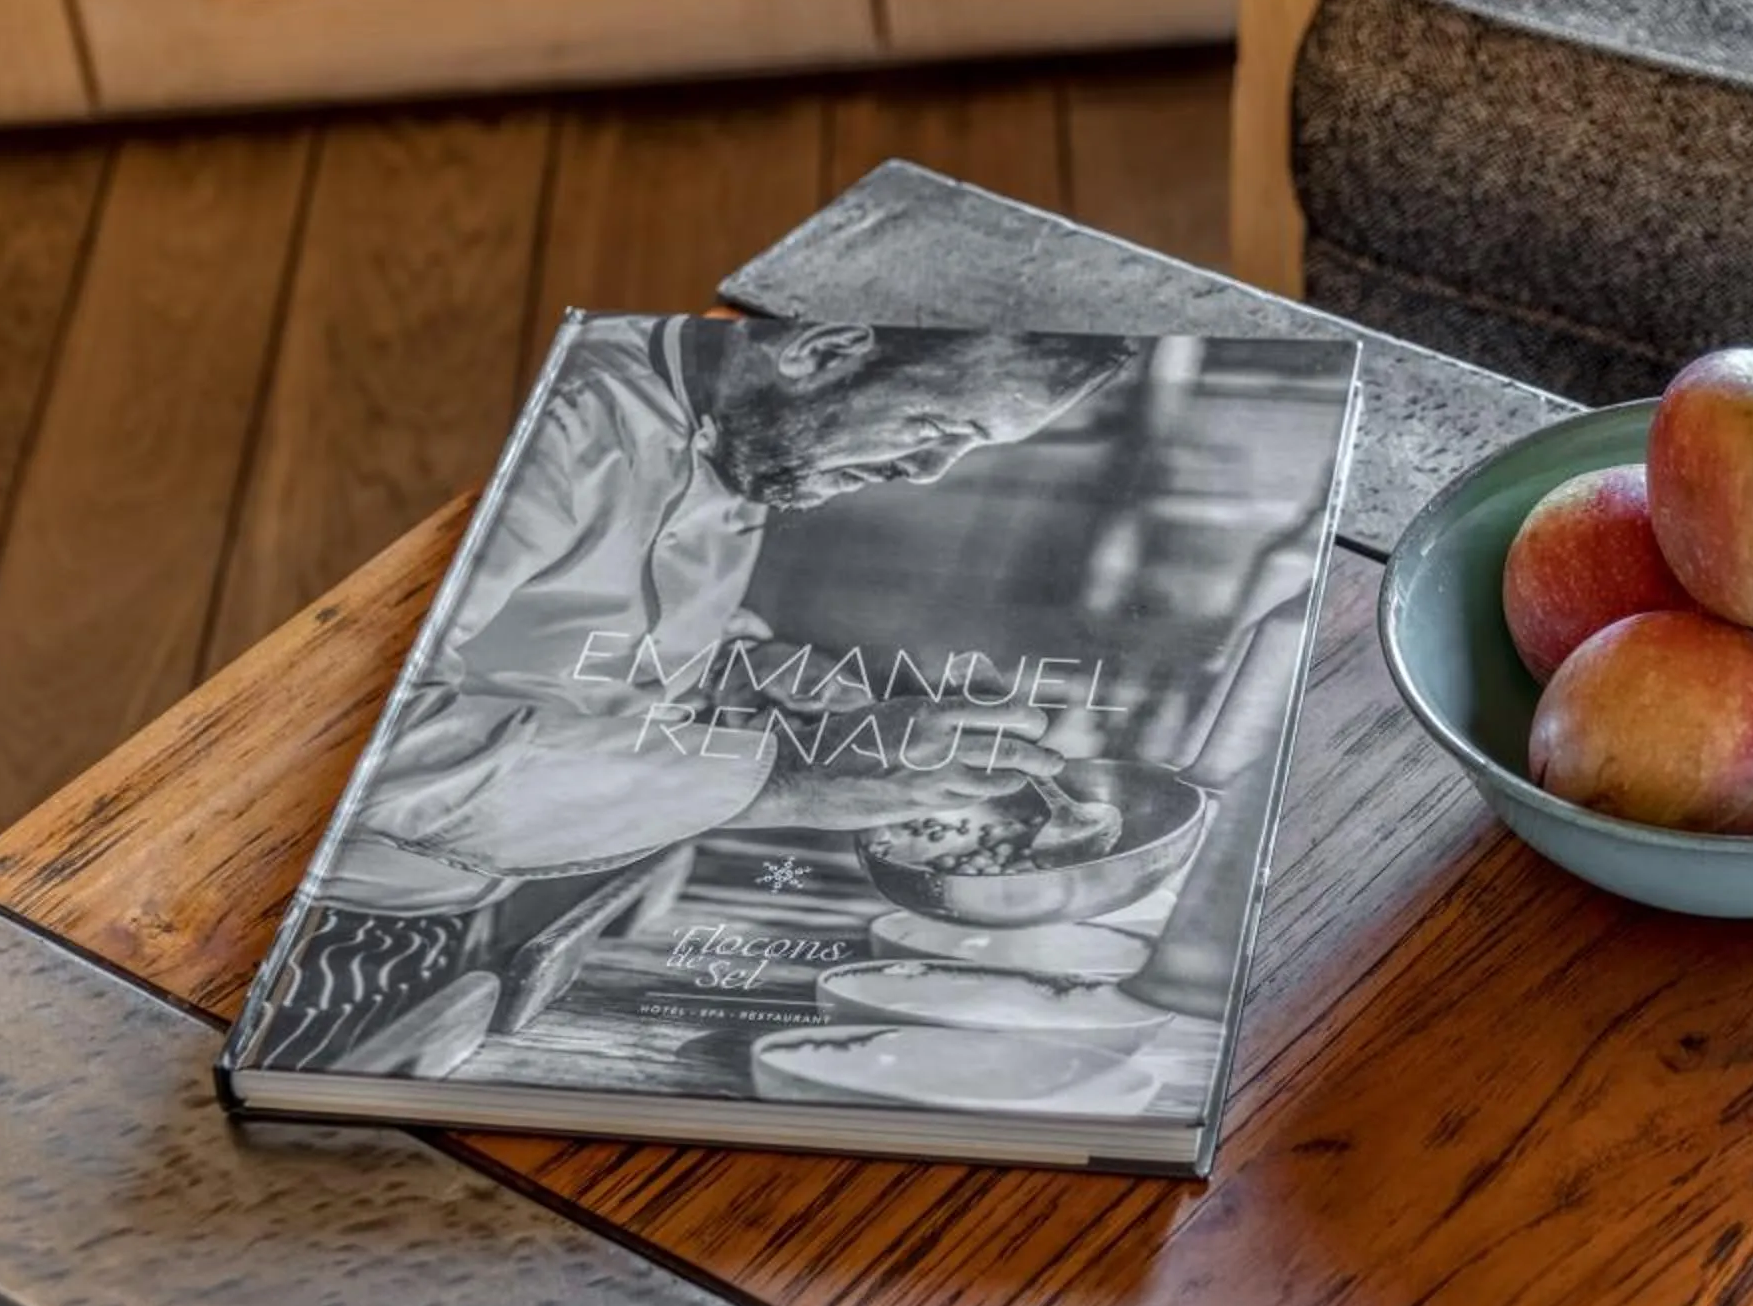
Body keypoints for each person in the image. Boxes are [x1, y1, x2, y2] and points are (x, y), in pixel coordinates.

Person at [259, 314, 1132, 1070]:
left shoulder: (738, 426)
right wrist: (782, 778)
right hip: (316, 920)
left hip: (471, 900)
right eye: (938, 424)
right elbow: (351, 739)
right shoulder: (550, 430)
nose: (930, 471)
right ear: (823, 349)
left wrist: (792, 685)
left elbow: (624, 636)